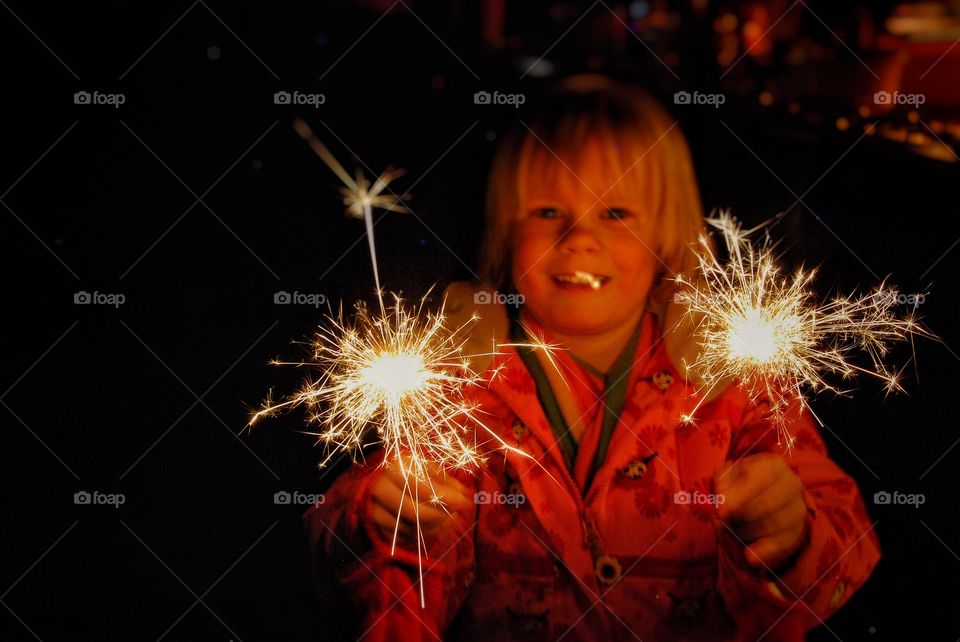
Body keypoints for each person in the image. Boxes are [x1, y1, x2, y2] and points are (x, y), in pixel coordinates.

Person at [304, 75, 880, 641]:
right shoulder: (459, 385)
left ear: (664, 236)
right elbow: (380, 573)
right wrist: (383, 522)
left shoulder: (734, 384)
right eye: (549, 212)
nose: (580, 237)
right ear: (506, 234)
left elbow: (849, 553)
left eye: (616, 213)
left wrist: (794, 533)